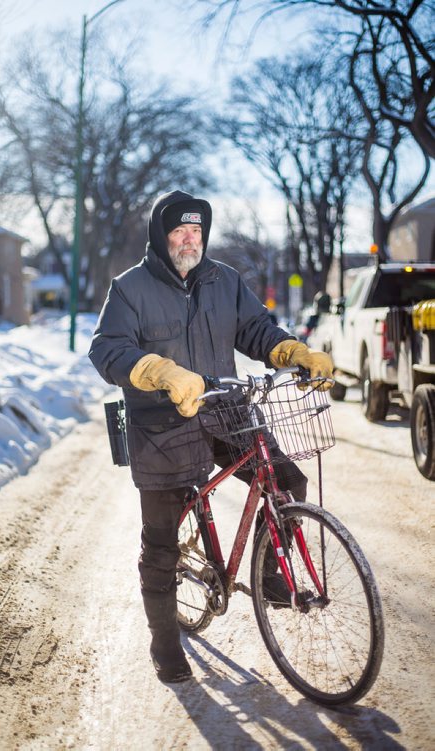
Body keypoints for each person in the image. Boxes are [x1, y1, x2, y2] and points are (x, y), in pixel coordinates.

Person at [89, 190, 333, 684]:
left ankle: (267, 576)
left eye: (197, 231)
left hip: (224, 411)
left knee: (288, 481)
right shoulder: (130, 288)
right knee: (161, 543)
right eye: (180, 231)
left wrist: (290, 351)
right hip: (162, 425)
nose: (189, 240)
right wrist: (156, 370)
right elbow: (107, 349)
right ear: (162, 235)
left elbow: (256, 329)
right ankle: (164, 643)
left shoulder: (224, 280)